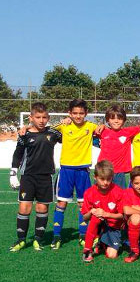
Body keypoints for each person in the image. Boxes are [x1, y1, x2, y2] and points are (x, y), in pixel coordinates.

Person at [9, 103, 62, 252]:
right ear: (31, 118)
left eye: (44, 117)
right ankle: (21, 240)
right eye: (38, 117)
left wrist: (67, 123)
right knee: (24, 207)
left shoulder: (54, 133)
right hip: (28, 177)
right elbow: (17, 154)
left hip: (46, 177)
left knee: (42, 207)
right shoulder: (24, 134)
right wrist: (13, 173)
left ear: (48, 118)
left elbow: (69, 138)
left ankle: (38, 240)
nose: (41, 120)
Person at [53, 99, 98, 248]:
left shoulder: (91, 126)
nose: (78, 116)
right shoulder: (63, 126)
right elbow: (45, 130)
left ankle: (83, 235)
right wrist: (26, 127)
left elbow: (103, 129)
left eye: (81, 113)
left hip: (83, 171)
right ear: (69, 113)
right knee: (61, 203)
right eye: (75, 113)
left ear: (86, 114)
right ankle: (56, 236)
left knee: (83, 204)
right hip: (66, 170)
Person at [81, 160, 125, 262]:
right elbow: (84, 217)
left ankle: (102, 243)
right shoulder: (89, 193)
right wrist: (91, 211)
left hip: (114, 226)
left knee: (112, 255)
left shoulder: (118, 192)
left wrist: (106, 214)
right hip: (98, 224)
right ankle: (87, 251)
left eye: (108, 179)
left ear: (112, 178)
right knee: (96, 217)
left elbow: (122, 216)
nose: (105, 182)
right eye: (102, 179)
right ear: (95, 177)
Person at [96, 104, 140, 189]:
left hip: (119, 172)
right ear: (107, 120)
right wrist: (102, 125)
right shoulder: (102, 131)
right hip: (102, 171)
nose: (116, 121)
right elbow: (88, 128)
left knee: (120, 198)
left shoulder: (128, 132)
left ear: (124, 120)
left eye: (119, 118)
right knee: (101, 197)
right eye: (112, 118)